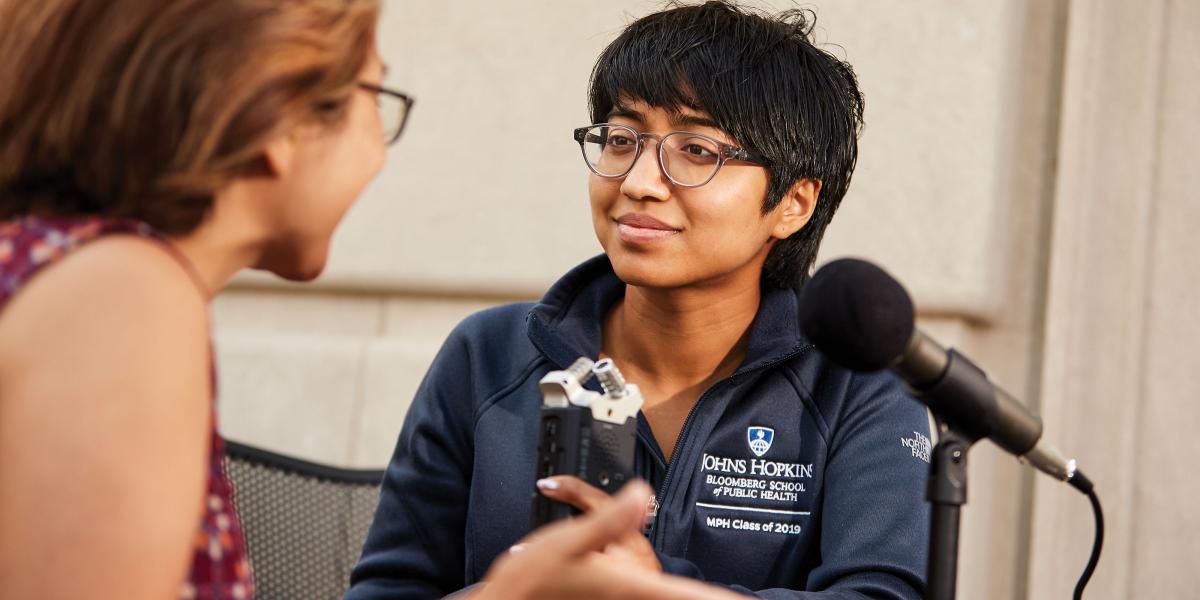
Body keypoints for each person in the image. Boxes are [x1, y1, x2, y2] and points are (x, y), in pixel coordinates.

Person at [0, 2, 744, 599]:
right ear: (278, 119)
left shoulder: (78, 273)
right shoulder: (126, 298)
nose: (380, 151)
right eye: (374, 98)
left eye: (696, 151)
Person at [348, 2, 931, 599]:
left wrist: (649, 590)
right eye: (622, 139)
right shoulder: (490, 354)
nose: (638, 182)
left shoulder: (859, 386)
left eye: (697, 151)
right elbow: (389, 590)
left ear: (794, 204)